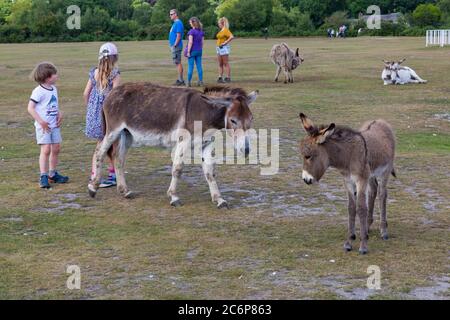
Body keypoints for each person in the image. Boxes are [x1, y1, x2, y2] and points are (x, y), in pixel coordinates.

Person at [83, 43, 121, 188]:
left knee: (104, 144)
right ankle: (103, 176)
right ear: (115, 58)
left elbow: (85, 93)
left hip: (94, 114)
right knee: (106, 146)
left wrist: (91, 109)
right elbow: (116, 96)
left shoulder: (94, 72)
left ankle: (102, 174)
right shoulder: (115, 74)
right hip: (108, 115)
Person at [27, 62, 69, 189]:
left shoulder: (54, 89)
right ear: (47, 77)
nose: (57, 76)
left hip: (54, 125)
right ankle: (43, 176)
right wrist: (41, 122)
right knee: (46, 150)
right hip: (43, 127)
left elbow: (54, 105)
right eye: (54, 74)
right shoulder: (38, 91)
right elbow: (30, 108)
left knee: (56, 148)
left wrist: (59, 113)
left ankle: (52, 174)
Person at [185, 17, 205, 87]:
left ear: (193, 23)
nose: (190, 24)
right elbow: (202, 42)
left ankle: (188, 82)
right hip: (199, 51)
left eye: (190, 22)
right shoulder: (201, 32)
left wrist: (188, 51)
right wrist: (200, 49)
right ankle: (201, 81)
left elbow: (190, 42)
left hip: (192, 51)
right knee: (199, 66)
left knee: (190, 67)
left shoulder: (191, 31)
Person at [169, 9, 185, 86]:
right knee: (177, 62)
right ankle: (180, 79)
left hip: (177, 46)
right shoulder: (175, 23)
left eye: (172, 14)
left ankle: (180, 80)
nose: (170, 16)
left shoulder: (178, 23)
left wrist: (175, 45)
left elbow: (178, 36)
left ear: (176, 14)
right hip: (175, 45)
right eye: (170, 14)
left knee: (178, 63)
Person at [216, 17, 234, 83]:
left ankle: (228, 77)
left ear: (222, 23)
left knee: (225, 63)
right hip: (218, 48)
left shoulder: (226, 30)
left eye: (219, 23)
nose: (218, 24)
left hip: (223, 48)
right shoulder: (221, 30)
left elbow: (232, 37)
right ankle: (220, 77)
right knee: (220, 63)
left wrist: (225, 42)